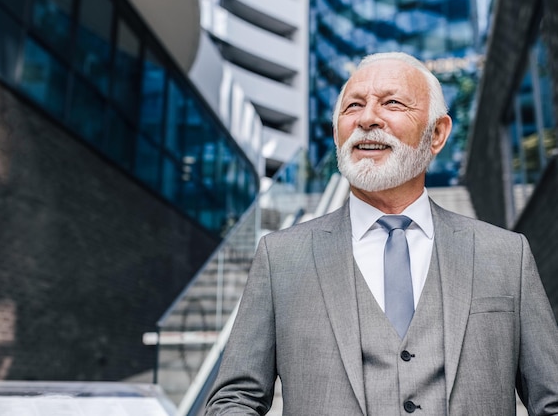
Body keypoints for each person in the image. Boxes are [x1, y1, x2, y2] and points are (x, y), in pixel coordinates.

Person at [204, 52, 558, 415]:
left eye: (392, 103)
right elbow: (235, 399)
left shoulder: (506, 255)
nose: (368, 118)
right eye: (352, 106)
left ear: (436, 134)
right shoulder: (280, 258)